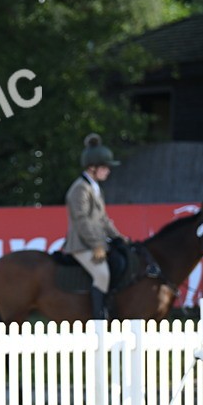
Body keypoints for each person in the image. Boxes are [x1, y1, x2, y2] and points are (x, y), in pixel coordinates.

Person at [62, 133, 123, 320]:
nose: (108, 171)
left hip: (95, 242)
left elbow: (103, 219)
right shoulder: (80, 188)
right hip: (82, 244)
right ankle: (99, 320)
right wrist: (96, 244)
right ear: (92, 168)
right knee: (102, 274)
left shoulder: (95, 188)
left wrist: (119, 237)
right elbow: (82, 220)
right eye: (105, 167)